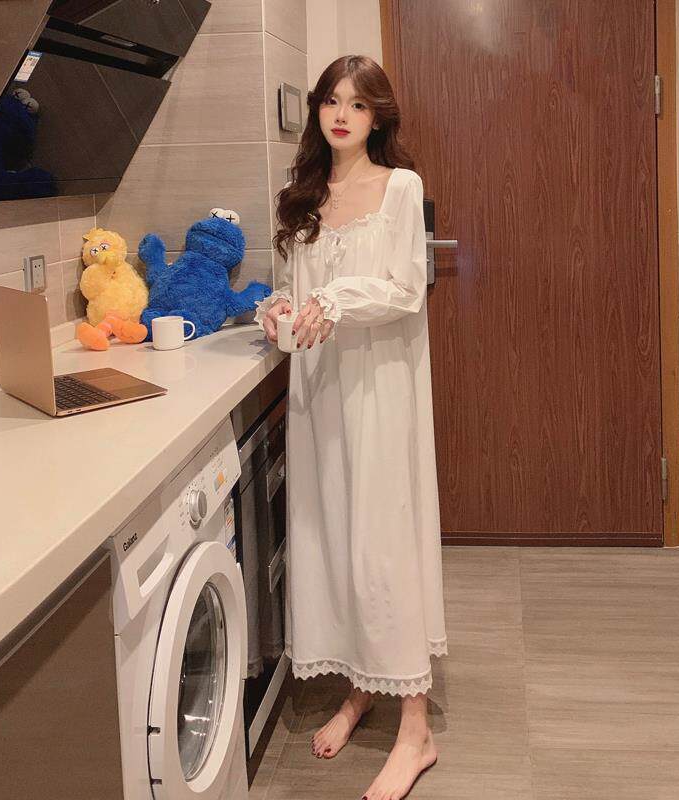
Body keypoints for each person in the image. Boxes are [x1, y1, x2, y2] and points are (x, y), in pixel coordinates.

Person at [254, 54, 448, 800]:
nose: (342, 115)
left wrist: (332, 301)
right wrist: (280, 307)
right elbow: (293, 289)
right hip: (321, 393)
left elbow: (404, 288)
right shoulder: (300, 194)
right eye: (331, 101)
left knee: (383, 541)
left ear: (377, 118)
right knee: (335, 535)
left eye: (358, 104)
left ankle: (416, 729)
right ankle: (362, 688)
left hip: (379, 391)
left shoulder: (401, 187)